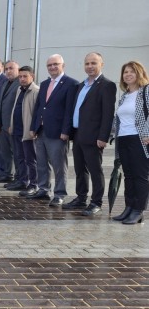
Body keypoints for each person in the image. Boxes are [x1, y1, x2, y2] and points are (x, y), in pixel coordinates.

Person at [66, 52, 117, 216]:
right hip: (79, 134)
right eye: (87, 63)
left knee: (95, 170)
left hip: (94, 137)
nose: (90, 66)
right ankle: (81, 198)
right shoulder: (81, 85)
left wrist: (103, 137)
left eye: (94, 63)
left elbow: (108, 114)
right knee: (80, 169)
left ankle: (96, 202)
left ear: (101, 64)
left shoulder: (107, 85)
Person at [30, 54, 79, 206]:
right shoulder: (44, 84)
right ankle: (43, 189)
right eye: (49, 65)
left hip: (58, 133)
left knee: (59, 166)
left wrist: (66, 131)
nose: (52, 67)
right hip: (41, 130)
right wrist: (34, 127)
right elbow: (38, 107)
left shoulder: (71, 84)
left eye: (55, 64)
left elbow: (69, 110)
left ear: (62, 65)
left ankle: (59, 194)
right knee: (42, 163)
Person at [111, 61, 149, 224]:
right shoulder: (125, 95)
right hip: (123, 138)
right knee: (128, 175)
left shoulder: (145, 91)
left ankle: (138, 210)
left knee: (140, 176)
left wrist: (147, 133)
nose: (127, 75)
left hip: (139, 138)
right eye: (125, 72)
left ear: (139, 73)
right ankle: (129, 207)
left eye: (131, 72)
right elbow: (118, 118)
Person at [9, 66, 39, 198]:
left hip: (28, 132)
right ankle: (22, 181)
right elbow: (15, 108)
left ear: (32, 76)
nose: (22, 79)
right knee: (19, 157)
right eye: (20, 76)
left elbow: (37, 114)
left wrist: (34, 129)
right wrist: (11, 124)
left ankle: (34, 184)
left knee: (31, 160)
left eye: (25, 76)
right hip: (17, 129)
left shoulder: (36, 91)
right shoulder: (19, 90)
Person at [0, 60, 20, 184]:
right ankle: (7, 174)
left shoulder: (20, 83)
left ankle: (18, 177)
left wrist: (11, 124)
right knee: (5, 152)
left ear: (17, 69)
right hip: (3, 125)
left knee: (17, 153)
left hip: (13, 126)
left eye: (11, 68)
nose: (8, 71)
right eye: (7, 69)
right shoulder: (5, 83)